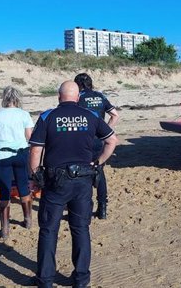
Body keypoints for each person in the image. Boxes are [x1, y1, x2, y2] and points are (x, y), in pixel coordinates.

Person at [29, 80, 118, 288]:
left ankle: (45, 280)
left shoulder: (47, 116)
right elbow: (112, 140)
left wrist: (34, 177)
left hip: (56, 182)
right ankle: (80, 280)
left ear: (59, 97)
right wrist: (97, 163)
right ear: (78, 98)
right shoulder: (91, 116)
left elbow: (35, 150)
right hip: (83, 181)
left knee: (49, 230)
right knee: (80, 229)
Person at [0, 86, 35, 240]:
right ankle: (28, 220)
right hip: (20, 154)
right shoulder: (24, 114)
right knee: (23, 185)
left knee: (4, 189)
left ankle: (5, 228)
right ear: (17, 98)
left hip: (2, 155)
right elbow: (30, 137)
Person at [74, 73, 120, 220]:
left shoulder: (78, 98)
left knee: (83, 173)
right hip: (98, 140)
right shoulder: (100, 96)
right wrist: (105, 130)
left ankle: (86, 207)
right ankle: (102, 209)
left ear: (78, 85)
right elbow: (115, 115)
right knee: (99, 171)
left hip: (83, 139)